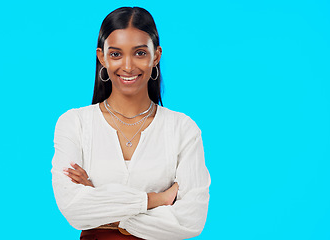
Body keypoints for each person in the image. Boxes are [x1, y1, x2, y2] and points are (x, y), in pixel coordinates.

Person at [51, 7, 211, 240]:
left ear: (155, 56)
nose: (127, 66)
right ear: (102, 57)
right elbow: (74, 210)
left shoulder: (183, 129)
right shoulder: (75, 123)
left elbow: (191, 221)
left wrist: (104, 206)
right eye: (116, 54)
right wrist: (155, 200)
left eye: (139, 53)